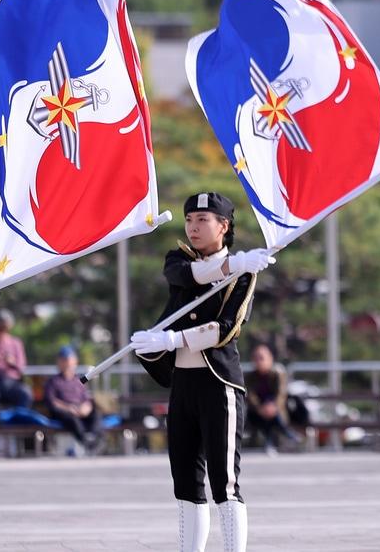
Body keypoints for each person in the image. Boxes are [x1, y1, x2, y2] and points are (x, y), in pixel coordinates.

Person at [132, 192, 273, 552]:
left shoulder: (245, 273)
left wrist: (173, 339)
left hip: (218, 384)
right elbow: (187, 276)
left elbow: (226, 329)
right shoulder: (179, 259)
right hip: (183, 384)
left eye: (202, 220)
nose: (192, 228)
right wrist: (232, 265)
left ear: (224, 226)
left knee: (224, 482)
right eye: (189, 220)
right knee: (186, 482)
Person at [243, 343, 301, 455]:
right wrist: (260, 408)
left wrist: (273, 407)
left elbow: (281, 394)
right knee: (266, 413)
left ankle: (270, 443)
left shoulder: (278, 374)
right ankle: (287, 434)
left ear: (270, 358)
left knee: (271, 412)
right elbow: (251, 395)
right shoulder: (249, 377)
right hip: (256, 412)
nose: (259, 361)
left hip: (276, 411)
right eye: (256, 358)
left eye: (262, 358)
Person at [44, 346, 103, 454]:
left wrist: (86, 408)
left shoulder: (78, 381)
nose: (67, 364)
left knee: (96, 414)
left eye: (69, 361)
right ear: (59, 362)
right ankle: (86, 443)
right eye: (64, 361)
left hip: (80, 411)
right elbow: (51, 401)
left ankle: (94, 439)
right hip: (65, 413)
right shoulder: (53, 382)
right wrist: (68, 408)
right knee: (72, 419)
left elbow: (87, 399)